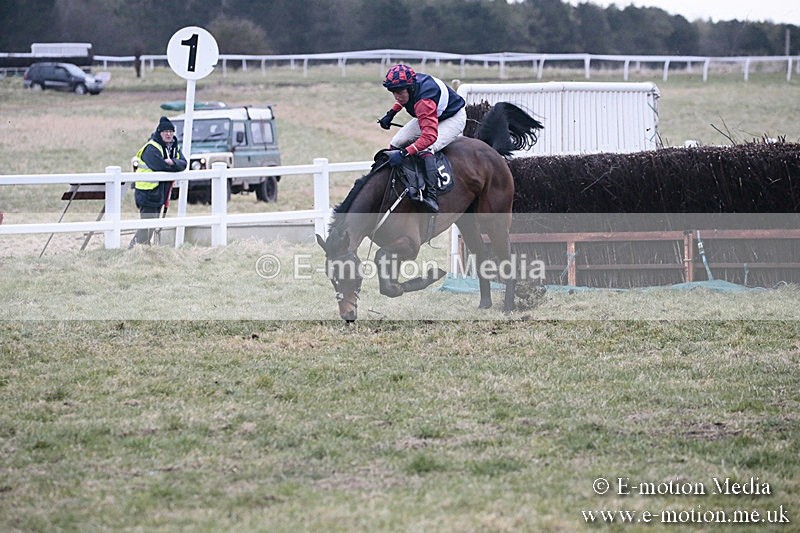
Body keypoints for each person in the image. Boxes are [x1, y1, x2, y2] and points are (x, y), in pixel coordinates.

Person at [377, 64, 466, 212]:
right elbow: (402, 99)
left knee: (425, 148)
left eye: (399, 91)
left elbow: (429, 137)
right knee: (396, 142)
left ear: (410, 88)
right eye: (393, 92)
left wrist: (403, 153)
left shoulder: (423, 102)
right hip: (434, 113)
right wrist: (390, 114)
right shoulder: (410, 87)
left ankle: (431, 197)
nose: (396, 96)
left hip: (453, 117)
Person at [129, 116, 187, 247]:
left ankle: (140, 249)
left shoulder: (173, 148)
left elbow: (184, 163)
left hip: (160, 192)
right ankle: (135, 249)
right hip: (146, 192)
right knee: (146, 226)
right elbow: (160, 166)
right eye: (165, 131)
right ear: (159, 133)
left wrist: (172, 162)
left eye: (171, 132)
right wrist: (173, 166)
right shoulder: (151, 147)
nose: (168, 134)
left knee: (151, 224)